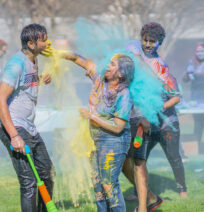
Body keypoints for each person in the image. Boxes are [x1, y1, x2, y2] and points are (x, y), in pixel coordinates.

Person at [123, 22, 187, 212]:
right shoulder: (134, 47)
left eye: (153, 41)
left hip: (167, 122)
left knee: (174, 156)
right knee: (138, 159)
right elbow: (135, 55)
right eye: (146, 40)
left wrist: (160, 106)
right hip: (145, 121)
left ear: (160, 43)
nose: (148, 44)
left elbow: (176, 95)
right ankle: (140, 191)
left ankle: (182, 189)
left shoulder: (162, 67)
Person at [64, 51, 134, 211]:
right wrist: (61, 54)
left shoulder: (124, 94)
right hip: (94, 140)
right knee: (97, 186)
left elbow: (118, 127)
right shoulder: (100, 81)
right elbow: (81, 60)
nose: (107, 66)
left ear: (121, 73)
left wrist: (92, 117)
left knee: (108, 184)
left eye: (112, 64)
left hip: (113, 142)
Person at [0, 24, 54, 212]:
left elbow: (25, 87)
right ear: (30, 43)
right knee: (29, 182)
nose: (47, 43)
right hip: (14, 127)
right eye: (43, 40)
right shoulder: (15, 64)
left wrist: (42, 77)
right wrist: (13, 136)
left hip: (29, 126)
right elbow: (0, 99)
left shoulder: (34, 59)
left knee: (47, 173)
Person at [183, 42, 204, 151]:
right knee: (198, 124)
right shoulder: (191, 63)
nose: (199, 53)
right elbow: (185, 80)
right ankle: (197, 147)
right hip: (196, 99)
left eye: (201, 51)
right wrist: (187, 75)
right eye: (198, 51)